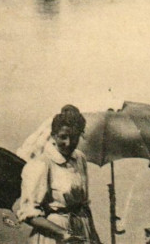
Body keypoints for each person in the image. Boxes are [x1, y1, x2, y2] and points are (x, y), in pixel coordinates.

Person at [16, 105, 101, 244]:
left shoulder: (80, 159)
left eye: (74, 137)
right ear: (53, 135)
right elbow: (29, 214)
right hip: (54, 235)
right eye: (63, 137)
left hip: (81, 231)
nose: (68, 143)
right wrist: (63, 234)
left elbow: (84, 206)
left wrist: (95, 238)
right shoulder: (40, 164)